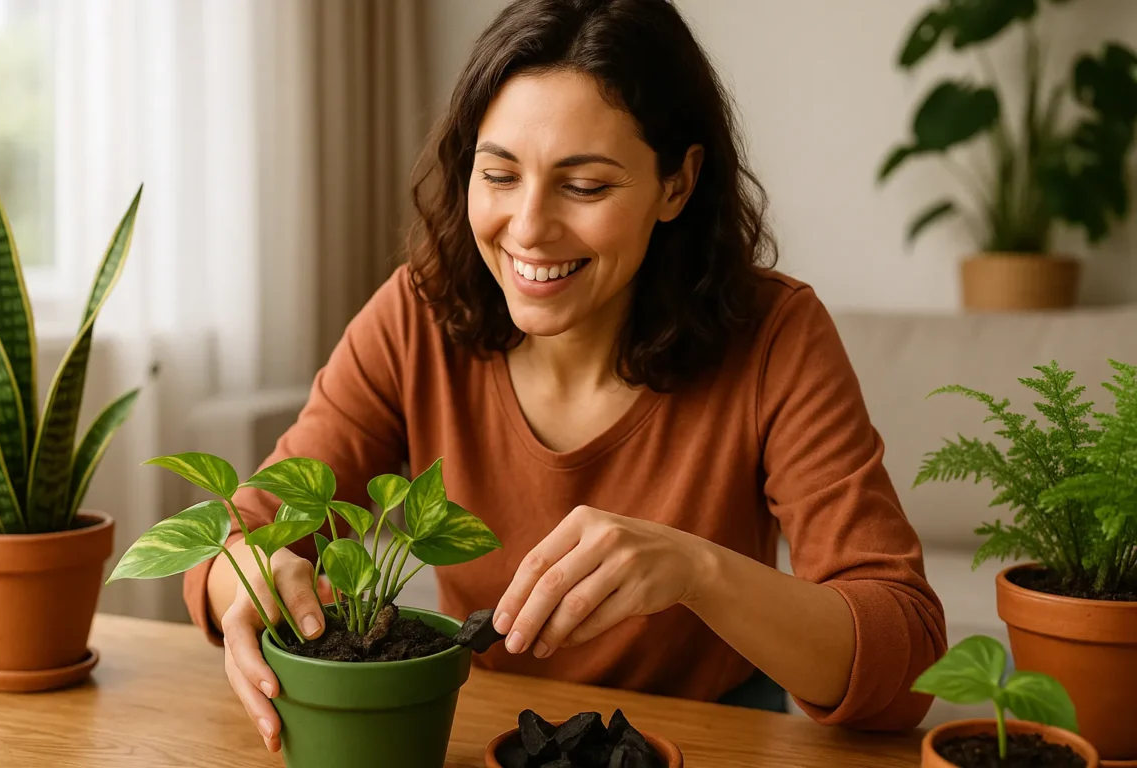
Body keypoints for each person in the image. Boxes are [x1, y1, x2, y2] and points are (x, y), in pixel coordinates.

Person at [182, 0, 947, 753]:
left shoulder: (776, 335)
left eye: (584, 186)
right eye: (500, 174)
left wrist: (698, 571)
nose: (529, 227)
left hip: (714, 737)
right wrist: (246, 579)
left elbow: (905, 656)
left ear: (677, 184)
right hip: (489, 730)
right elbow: (240, 533)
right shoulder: (419, 313)